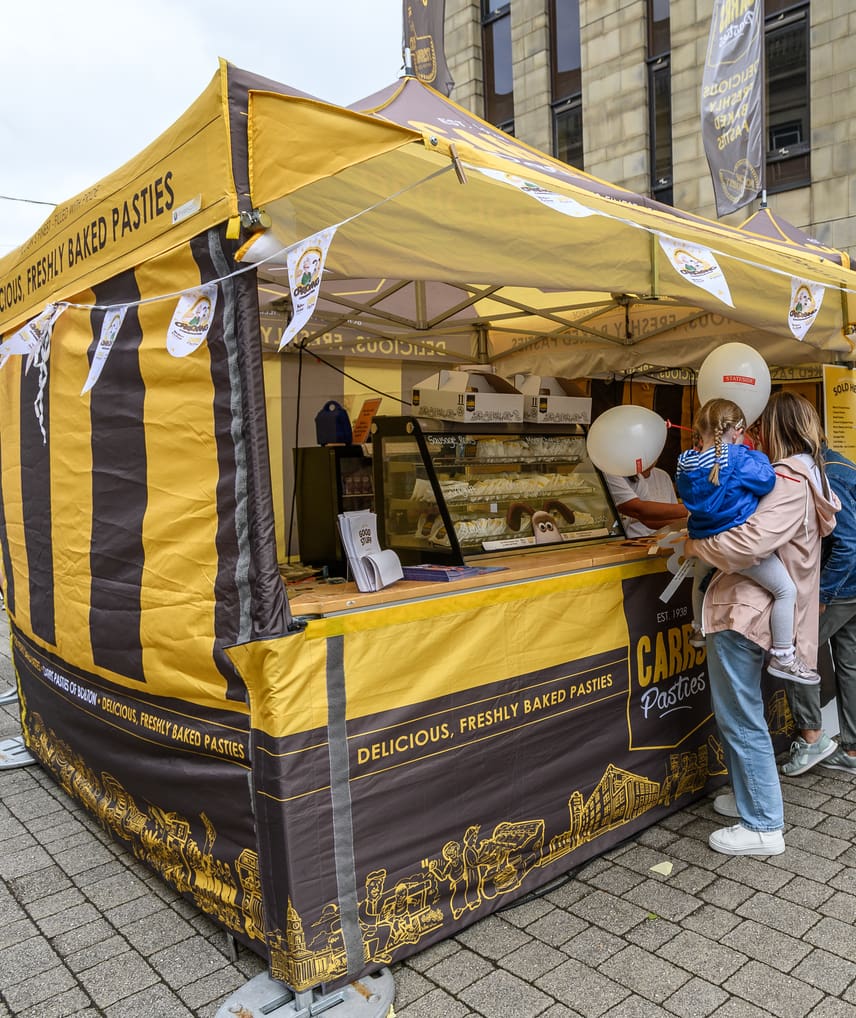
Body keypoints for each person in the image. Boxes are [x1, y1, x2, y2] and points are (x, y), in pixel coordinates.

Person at [685, 391, 839, 856]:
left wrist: (696, 546)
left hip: (744, 611)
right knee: (741, 715)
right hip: (754, 611)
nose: (753, 434)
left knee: (741, 718)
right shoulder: (806, 477)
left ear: (774, 428)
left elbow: (749, 543)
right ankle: (749, 800)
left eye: (760, 426)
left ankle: (763, 825)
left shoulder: (788, 479)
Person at [676, 398, 819, 684]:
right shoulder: (741, 460)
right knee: (785, 590)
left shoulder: (686, 462)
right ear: (738, 431)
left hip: (702, 535)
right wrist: (756, 456)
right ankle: (784, 656)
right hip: (732, 541)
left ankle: (697, 628)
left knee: (700, 579)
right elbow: (766, 481)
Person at [782, 442, 856, 776]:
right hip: (850, 585)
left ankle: (812, 740)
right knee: (850, 665)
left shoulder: (825, 473)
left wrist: (823, 592)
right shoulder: (841, 464)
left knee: (795, 655)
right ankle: (852, 751)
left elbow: (848, 544)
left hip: (842, 585)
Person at [604, 463, 688, 538]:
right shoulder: (608, 469)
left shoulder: (636, 476)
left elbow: (649, 519)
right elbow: (639, 509)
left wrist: (690, 521)